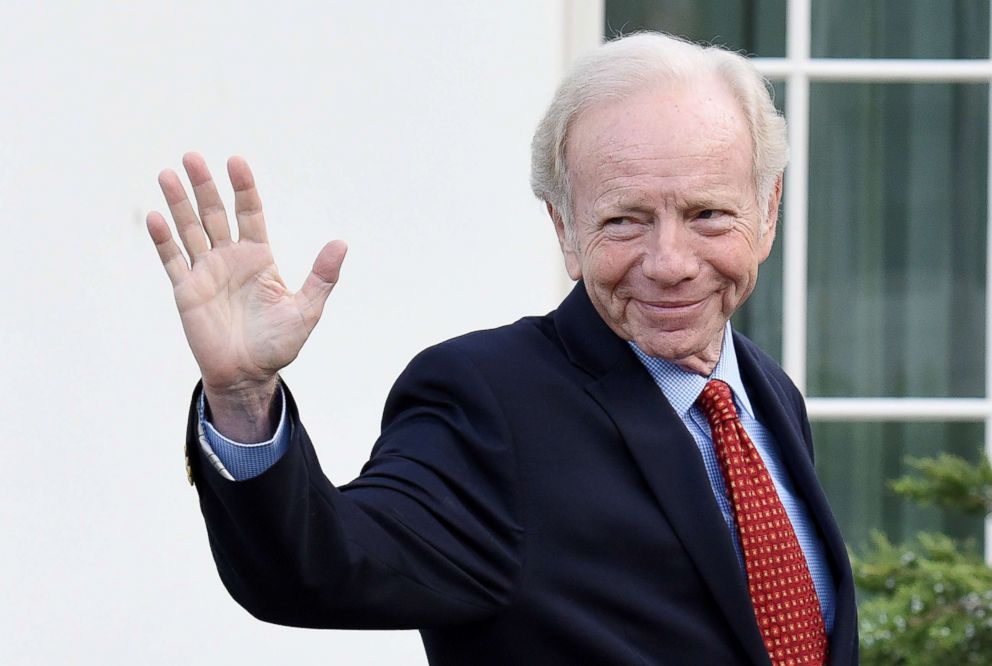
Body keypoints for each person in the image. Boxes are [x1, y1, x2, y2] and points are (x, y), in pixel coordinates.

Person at [148, 32, 858, 665]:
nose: (670, 261)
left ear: (767, 212)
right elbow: (318, 567)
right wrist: (242, 397)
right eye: (625, 219)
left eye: (707, 214)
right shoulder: (488, 402)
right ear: (565, 228)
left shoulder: (765, 396)